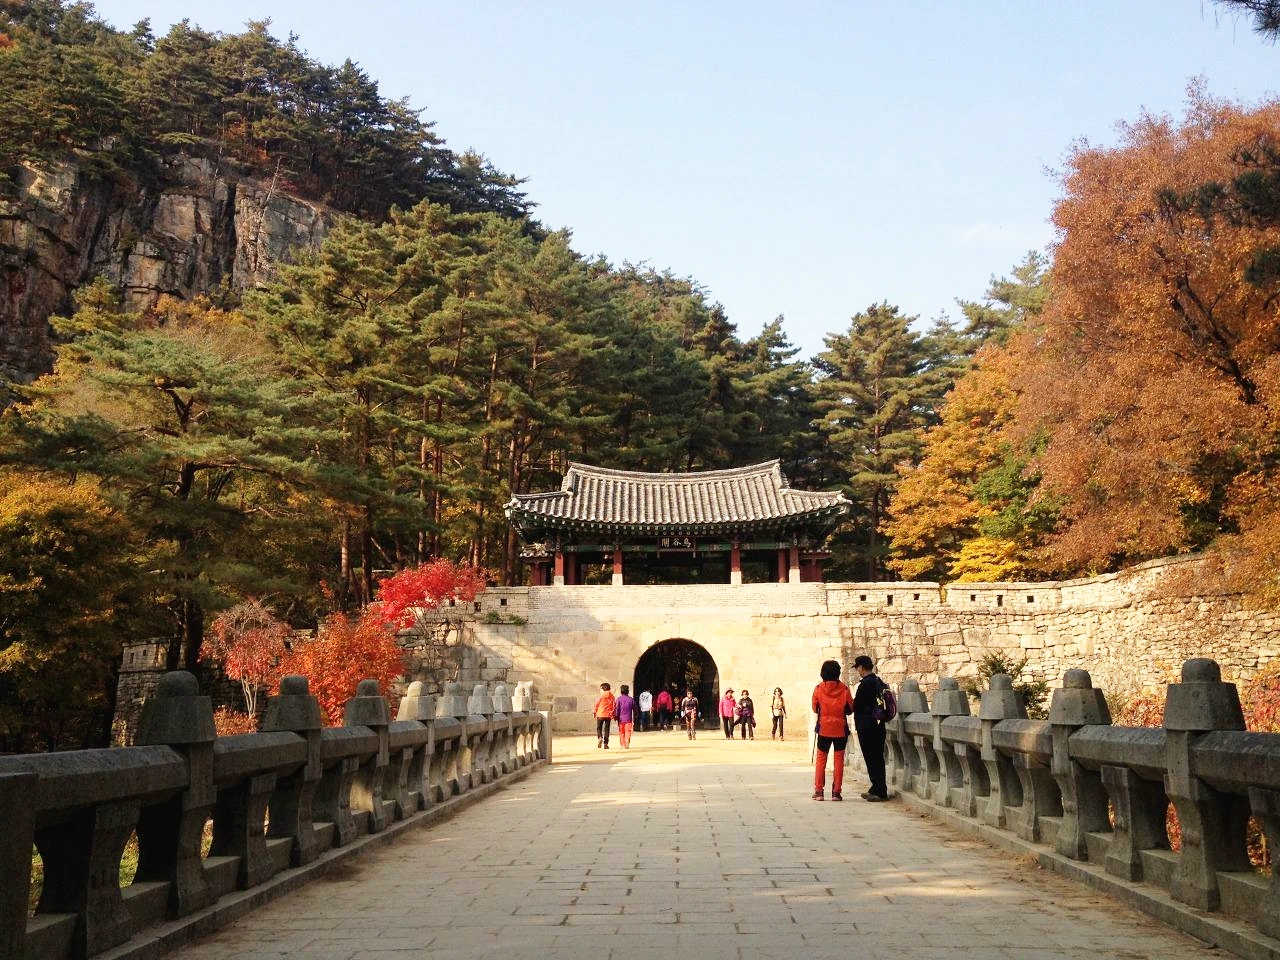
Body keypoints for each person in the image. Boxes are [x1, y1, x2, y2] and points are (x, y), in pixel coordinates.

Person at [811, 659, 854, 801]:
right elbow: (850, 709)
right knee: (838, 760)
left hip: (824, 728)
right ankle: (836, 792)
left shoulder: (818, 689)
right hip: (840, 729)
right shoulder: (844, 689)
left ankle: (819, 791)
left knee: (821, 759)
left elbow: (815, 708)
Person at [853, 655, 890, 801]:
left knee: (872, 758)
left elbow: (857, 706)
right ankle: (876, 788)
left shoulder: (866, 684)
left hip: (867, 726)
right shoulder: (877, 681)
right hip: (878, 725)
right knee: (877, 758)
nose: (857, 671)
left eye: (857, 668)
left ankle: (879, 791)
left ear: (861, 667)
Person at [594, 682, 617, 749]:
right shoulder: (612, 696)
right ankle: (605, 744)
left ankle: (600, 737)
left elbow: (596, 704)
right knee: (606, 729)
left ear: (603, 689)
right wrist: (613, 714)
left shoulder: (600, 696)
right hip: (608, 715)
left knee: (599, 728)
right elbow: (614, 706)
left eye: (600, 689)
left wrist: (594, 712)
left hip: (600, 714)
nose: (600, 690)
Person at [615, 684, 637, 748]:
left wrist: (616, 716)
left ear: (621, 691)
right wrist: (636, 715)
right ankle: (627, 742)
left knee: (621, 732)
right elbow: (635, 709)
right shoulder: (631, 699)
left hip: (621, 719)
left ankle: (623, 745)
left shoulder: (619, 699)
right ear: (628, 691)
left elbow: (617, 709)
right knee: (628, 731)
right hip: (628, 719)